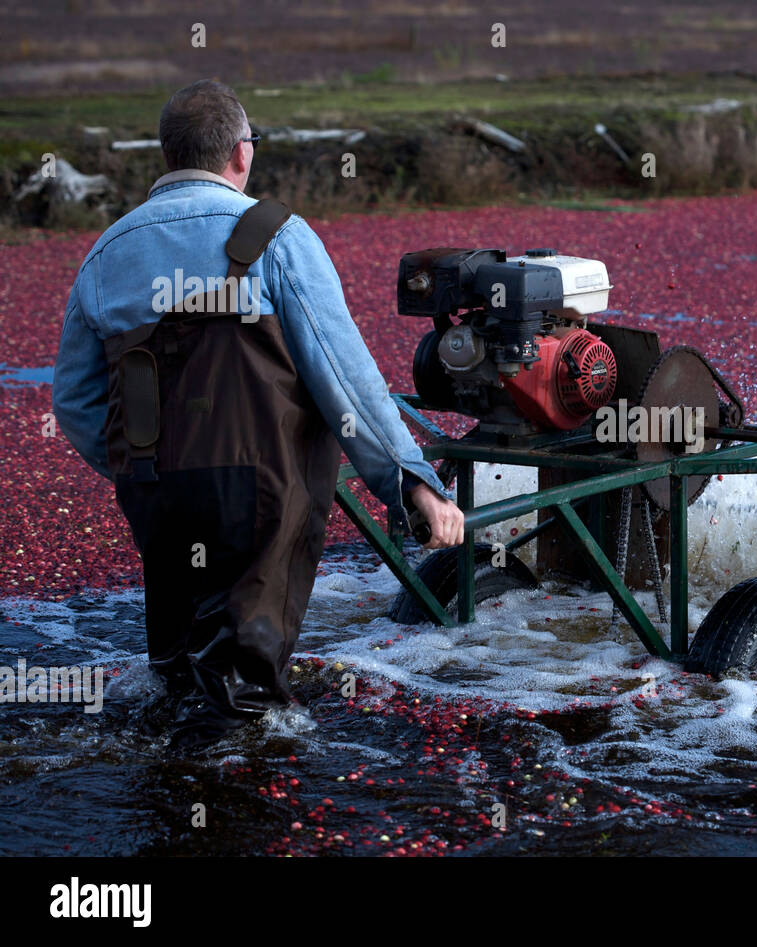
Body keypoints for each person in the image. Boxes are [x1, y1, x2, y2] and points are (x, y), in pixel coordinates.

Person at [52, 78, 464, 749]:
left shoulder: (108, 253)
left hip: (156, 490)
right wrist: (412, 481)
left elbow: (72, 399)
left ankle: (168, 800)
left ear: (167, 156)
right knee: (243, 695)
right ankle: (231, 804)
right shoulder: (278, 236)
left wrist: (137, 466)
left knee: (179, 673)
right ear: (241, 154)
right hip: (262, 491)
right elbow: (346, 378)